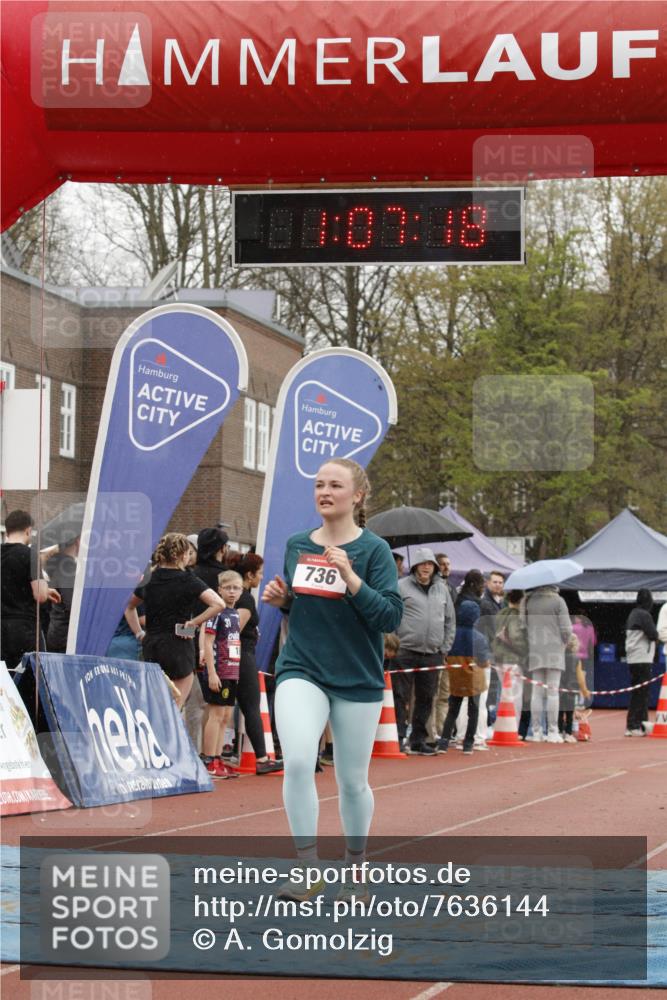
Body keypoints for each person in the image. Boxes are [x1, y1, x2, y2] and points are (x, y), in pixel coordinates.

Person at [261, 459, 402, 900]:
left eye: (335, 485)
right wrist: (284, 602)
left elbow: (390, 616)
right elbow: (303, 605)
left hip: (357, 673)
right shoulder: (297, 544)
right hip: (302, 666)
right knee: (300, 761)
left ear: (356, 496)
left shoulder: (374, 550)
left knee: (352, 781)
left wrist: (351, 578)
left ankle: (356, 868)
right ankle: (307, 870)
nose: (324, 491)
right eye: (319, 484)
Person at [126, 533, 224, 707]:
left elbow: (129, 607)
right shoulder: (188, 579)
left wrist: (139, 633)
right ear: (182, 555)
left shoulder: (149, 578)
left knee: (153, 705)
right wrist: (195, 622)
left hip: (152, 645)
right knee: (174, 706)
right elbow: (218, 604)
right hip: (179, 644)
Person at [393, 547, 456, 755]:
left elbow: (450, 621)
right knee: (399, 696)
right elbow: (391, 614)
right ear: (414, 567)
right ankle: (398, 737)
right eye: (422, 564)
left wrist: (444, 648)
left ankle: (418, 740)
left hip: (432, 653)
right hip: (405, 651)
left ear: (435, 568)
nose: (426, 567)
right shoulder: (400, 586)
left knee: (426, 698)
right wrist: (393, 642)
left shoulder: (443, 589)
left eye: (430, 564)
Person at [227, 551, 283, 775]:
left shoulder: (236, 596)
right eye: (259, 574)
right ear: (249, 575)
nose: (261, 577)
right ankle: (261, 758)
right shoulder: (245, 599)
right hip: (241, 656)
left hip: (237, 655)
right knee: (251, 706)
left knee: (227, 708)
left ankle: (221, 754)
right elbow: (233, 630)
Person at [198, 570, 244, 779]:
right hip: (219, 669)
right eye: (228, 588)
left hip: (232, 670)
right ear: (220, 590)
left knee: (225, 716)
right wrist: (212, 672)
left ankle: (217, 758)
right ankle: (208, 759)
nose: (232, 592)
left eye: (236, 588)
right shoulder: (215, 612)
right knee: (216, 715)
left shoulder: (235, 614)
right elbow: (207, 641)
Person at [1, 510, 61, 668]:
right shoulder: (29, 555)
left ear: (7, 531)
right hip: (23, 631)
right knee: (29, 682)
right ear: (28, 530)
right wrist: (45, 588)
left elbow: (11, 583)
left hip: (2, 630)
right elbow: (40, 595)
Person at [522, 585, 573, 743]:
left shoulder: (529, 601)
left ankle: (536, 731)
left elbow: (524, 626)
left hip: (536, 649)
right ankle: (552, 730)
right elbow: (566, 628)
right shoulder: (558, 601)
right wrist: (564, 642)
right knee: (552, 692)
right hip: (554, 650)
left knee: (536, 693)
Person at [439, 599, 491, 755]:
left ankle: (443, 742)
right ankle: (468, 744)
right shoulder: (479, 638)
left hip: (456, 677)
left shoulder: (452, 634)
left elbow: (445, 653)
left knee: (452, 710)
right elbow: (483, 661)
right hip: (474, 678)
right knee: (473, 711)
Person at [492, 589, 530, 740]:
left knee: (505, 694)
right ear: (520, 601)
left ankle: (502, 726)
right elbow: (515, 638)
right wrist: (525, 651)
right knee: (516, 695)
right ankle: (512, 727)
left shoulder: (500, 614)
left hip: (499, 657)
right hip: (512, 658)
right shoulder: (515, 616)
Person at [624, 589, 659, 737]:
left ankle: (642, 724)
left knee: (639, 692)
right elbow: (653, 635)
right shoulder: (644, 615)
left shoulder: (633, 613)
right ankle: (633, 725)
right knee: (641, 693)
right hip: (642, 659)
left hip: (633, 658)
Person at [45, 536, 80, 653]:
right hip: (67, 635)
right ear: (78, 541)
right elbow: (72, 604)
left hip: (56, 630)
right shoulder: (67, 568)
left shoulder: (57, 566)